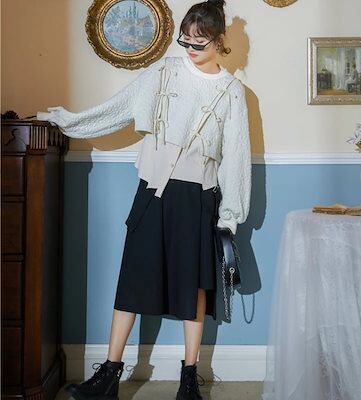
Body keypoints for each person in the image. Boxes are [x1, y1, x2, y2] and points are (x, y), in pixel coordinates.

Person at [37, 0, 251, 398]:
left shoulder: (232, 92)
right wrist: (69, 121)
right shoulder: (165, 72)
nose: (190, 49)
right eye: (184, 41)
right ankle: (109, 376)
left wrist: (230, 216)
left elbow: (236, 157)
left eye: (199, 43)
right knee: (132, 280)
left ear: (219, 40)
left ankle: (189, 379)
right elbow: (119, 107)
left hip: (197, 198)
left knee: (192, 288)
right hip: (152, 189)